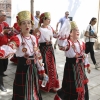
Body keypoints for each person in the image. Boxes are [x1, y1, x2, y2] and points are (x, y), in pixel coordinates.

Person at [0, 10, 47, 100]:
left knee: (34, 92)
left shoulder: (34, 38)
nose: (27, 25)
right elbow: (9, 47)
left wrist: (42, 70)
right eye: (24, 23)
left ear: (31, 24)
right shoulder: (17, 38)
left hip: (33, 69)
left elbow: (38, 55)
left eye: (29, 23)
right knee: (22, 93)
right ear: (20, 25)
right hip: (23, 69)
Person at [54, 20, 91, 100]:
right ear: (70, 33)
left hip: (80, 67)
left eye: (78, 30)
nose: (78, 31)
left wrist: (87, 65)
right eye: (75, 30)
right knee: (72, 87)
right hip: (71, 67)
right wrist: (63, 34)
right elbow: (61, 46)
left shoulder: (81, 42)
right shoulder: (68, 43)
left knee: (82, 84)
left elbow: (84, 54)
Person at [36, 12, 59, 92]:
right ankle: (44, 86)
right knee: (45, 66)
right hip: (43, 49)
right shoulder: (39, 29)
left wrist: (59, 34)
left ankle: (52, 86)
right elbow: (37, 40)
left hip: (50, 49)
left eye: (50, 19)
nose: (49, 20)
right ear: (43, 20)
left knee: (52, 66)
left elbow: (55, 35)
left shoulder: (50, 28)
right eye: (48, 19)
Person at [0, 9, 9, 92]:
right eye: (4, 15)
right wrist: (3, 32)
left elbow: (9, 33)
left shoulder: (5, 23)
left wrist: (10, 32)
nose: (6, 16)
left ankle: (2, 72)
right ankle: (1, 84)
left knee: (5, 64)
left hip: (5, 48)